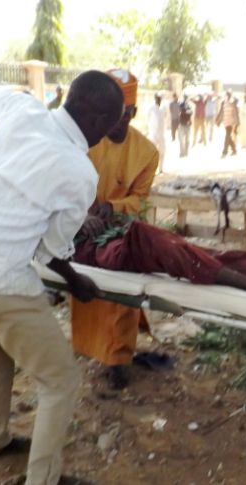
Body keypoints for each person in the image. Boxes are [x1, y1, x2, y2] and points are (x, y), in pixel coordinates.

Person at [0, 71, 125, 485]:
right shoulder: (79, 172)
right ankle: (43, 479)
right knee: (60, 380)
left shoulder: (22, 107)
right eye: (113, 121)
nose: (112, 130)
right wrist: (75, 280)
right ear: (97, 120)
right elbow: (50, 251)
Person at [70, 69, 160, 390]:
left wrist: (114, 207)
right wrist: (84, 214)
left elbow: (141, 200)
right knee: (88, 294)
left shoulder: (147, 152)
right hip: (84, 228)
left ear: (133, 112)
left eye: (122, 114)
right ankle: (94, 349)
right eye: (107, 115)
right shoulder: (86, 141)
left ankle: (119, 359)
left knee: (123, 297)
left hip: (122, 233)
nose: (113, 122)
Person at [74, 218, 246, 308]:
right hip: (106, 252)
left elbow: (100, 205)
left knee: (221, 256)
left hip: (115, 236)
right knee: (149, 235)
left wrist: (95, 213)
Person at [147, 92, 167, 174]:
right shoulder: (151, 108)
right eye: (157, 98)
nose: (159, 99)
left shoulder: (163, 108)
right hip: (153, 133)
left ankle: (161, 169)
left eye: (160, 98)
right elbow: (148, 118)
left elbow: (165, 117)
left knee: (162, 151)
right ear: (155, 98)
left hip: (161, 133)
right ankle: (151, 170)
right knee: (152, 152)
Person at [216, 90, 238, 158]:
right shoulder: (223, 102)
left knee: (227, 136)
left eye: (229, 94)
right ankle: (234, 150)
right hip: (225, 121)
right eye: (227, 94)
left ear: (231, 95)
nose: (228, 96)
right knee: (229, 137)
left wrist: (236, 122)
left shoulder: (233, 102)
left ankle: (225, 151)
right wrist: (218, 119)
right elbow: (221, 111)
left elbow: (235, 112)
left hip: (231, 122)